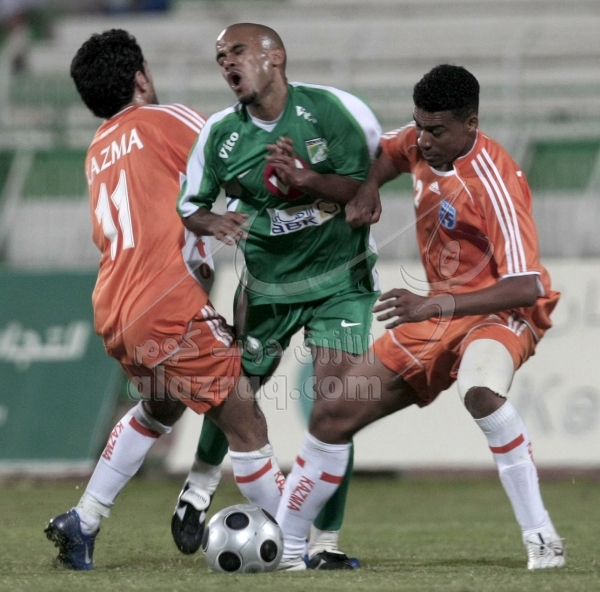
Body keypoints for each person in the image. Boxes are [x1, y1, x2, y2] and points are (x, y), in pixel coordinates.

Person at [273, 64, 566, 571]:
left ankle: (542, 538)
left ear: (471, 124)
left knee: (479, 391)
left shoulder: (495, 180)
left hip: (500, 311)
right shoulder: (419, 141)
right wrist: (368, 189)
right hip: (438, 313)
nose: (423, 140)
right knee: (332, 413)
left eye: (436, 131)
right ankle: (286, 550)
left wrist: (435, 304)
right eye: (419, 125)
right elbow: (385, 155)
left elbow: (528, 284)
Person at [44, 29, 282, 571]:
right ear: (141, 77)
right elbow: (241, 159)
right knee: (246, 422)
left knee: (161, 406)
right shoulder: (166, 120)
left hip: (116, 307)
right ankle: (293, 550)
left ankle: (83, 520)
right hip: (164, 303)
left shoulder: (98, 149)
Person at [175, 22, 381, 570]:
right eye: (220, 57)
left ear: (275, 56)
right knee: (238, 390)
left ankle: (324, 544)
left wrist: (306, 179)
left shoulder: (332, 111)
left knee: (337, 406)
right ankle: (199, 484)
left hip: (340, 281)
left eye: (237, 51)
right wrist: (213, 222)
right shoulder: (221, 134)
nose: (227, 63)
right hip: (267, 287)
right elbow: (190, 205)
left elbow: (363, 188)